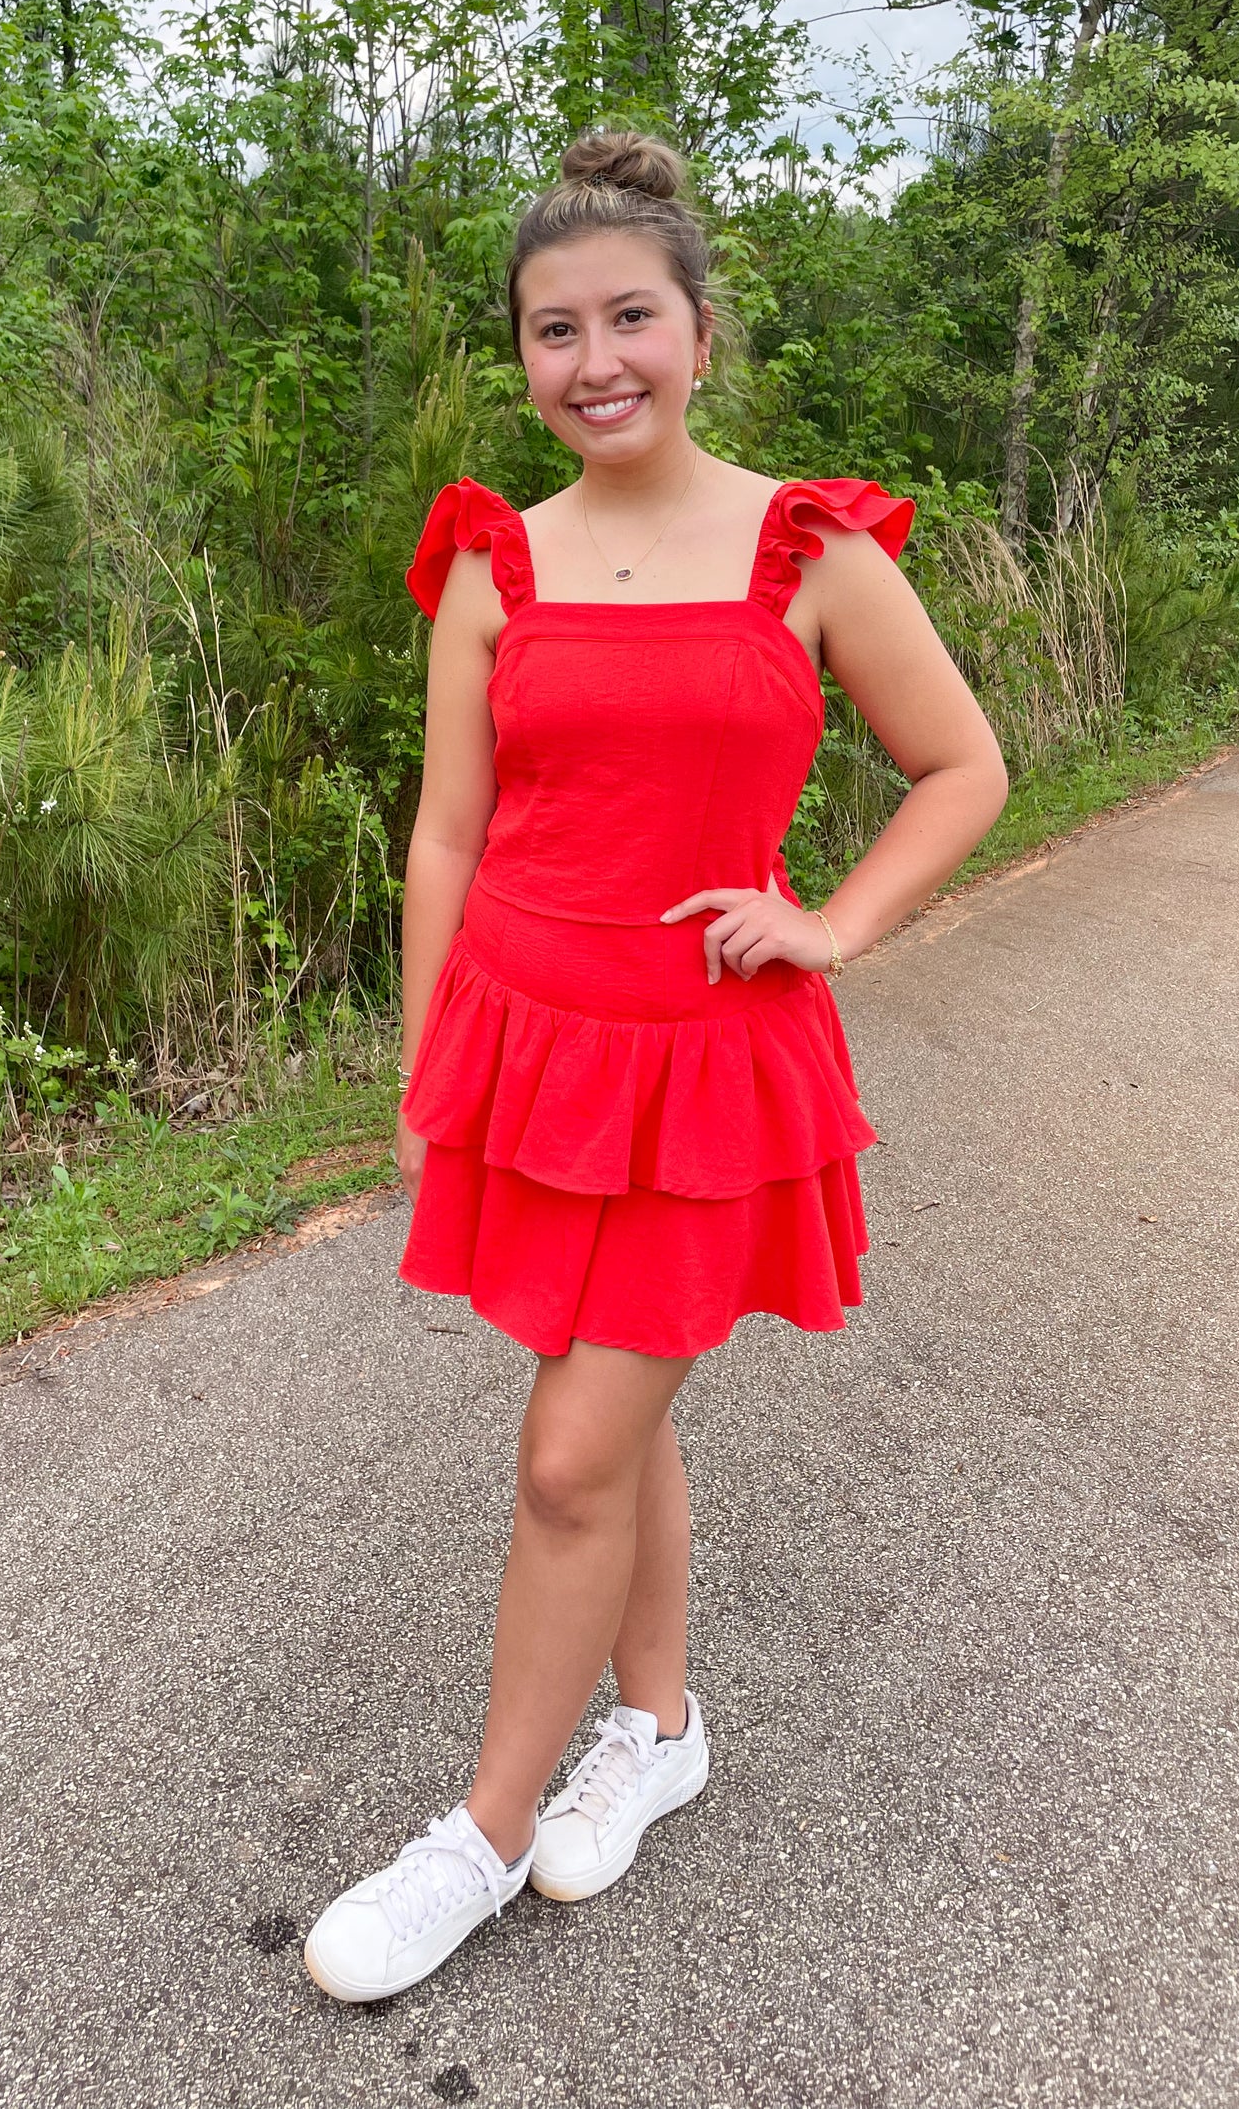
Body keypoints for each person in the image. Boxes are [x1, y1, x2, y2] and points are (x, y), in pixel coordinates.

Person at [304, 131, 1009, 2004]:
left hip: (707, 1073)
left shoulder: (808, 550)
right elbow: (445, 835)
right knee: (608, 1422)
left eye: (630, 317)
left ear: (699, 331)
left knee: (565, 1458)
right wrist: (423, 1067)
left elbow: (963, 768)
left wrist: (832, 923)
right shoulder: (493, 562)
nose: (594, 359)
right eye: (555, 330)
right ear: (521, 357)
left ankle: (480, 1834)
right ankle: (660, 1726)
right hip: (530, 1056)